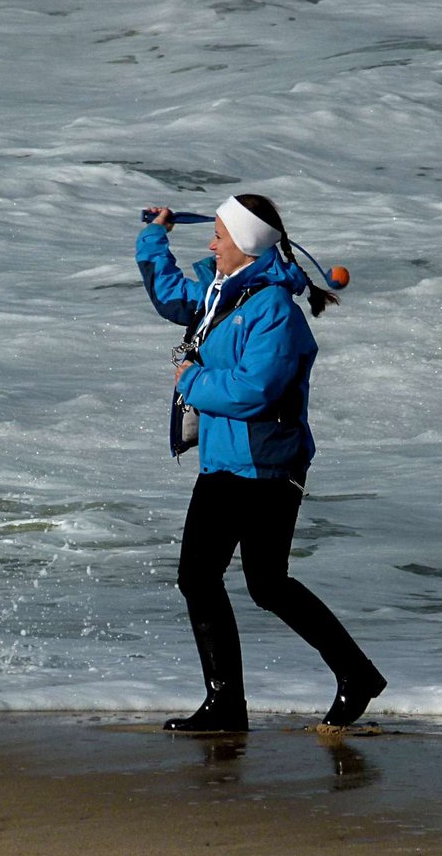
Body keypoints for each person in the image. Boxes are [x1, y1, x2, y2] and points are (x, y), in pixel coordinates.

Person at [137, 194, 385, 732]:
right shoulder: (223, 295)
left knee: (235, 581)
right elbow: (172, 296)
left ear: (246, 246)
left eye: (220, 237)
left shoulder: (273, 310)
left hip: (265, 468)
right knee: (226, 580)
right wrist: (155, 237)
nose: (211, 244)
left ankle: (250, 700)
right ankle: (253, 698)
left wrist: (193, 381)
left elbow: (256, 390)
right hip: (228, 462)